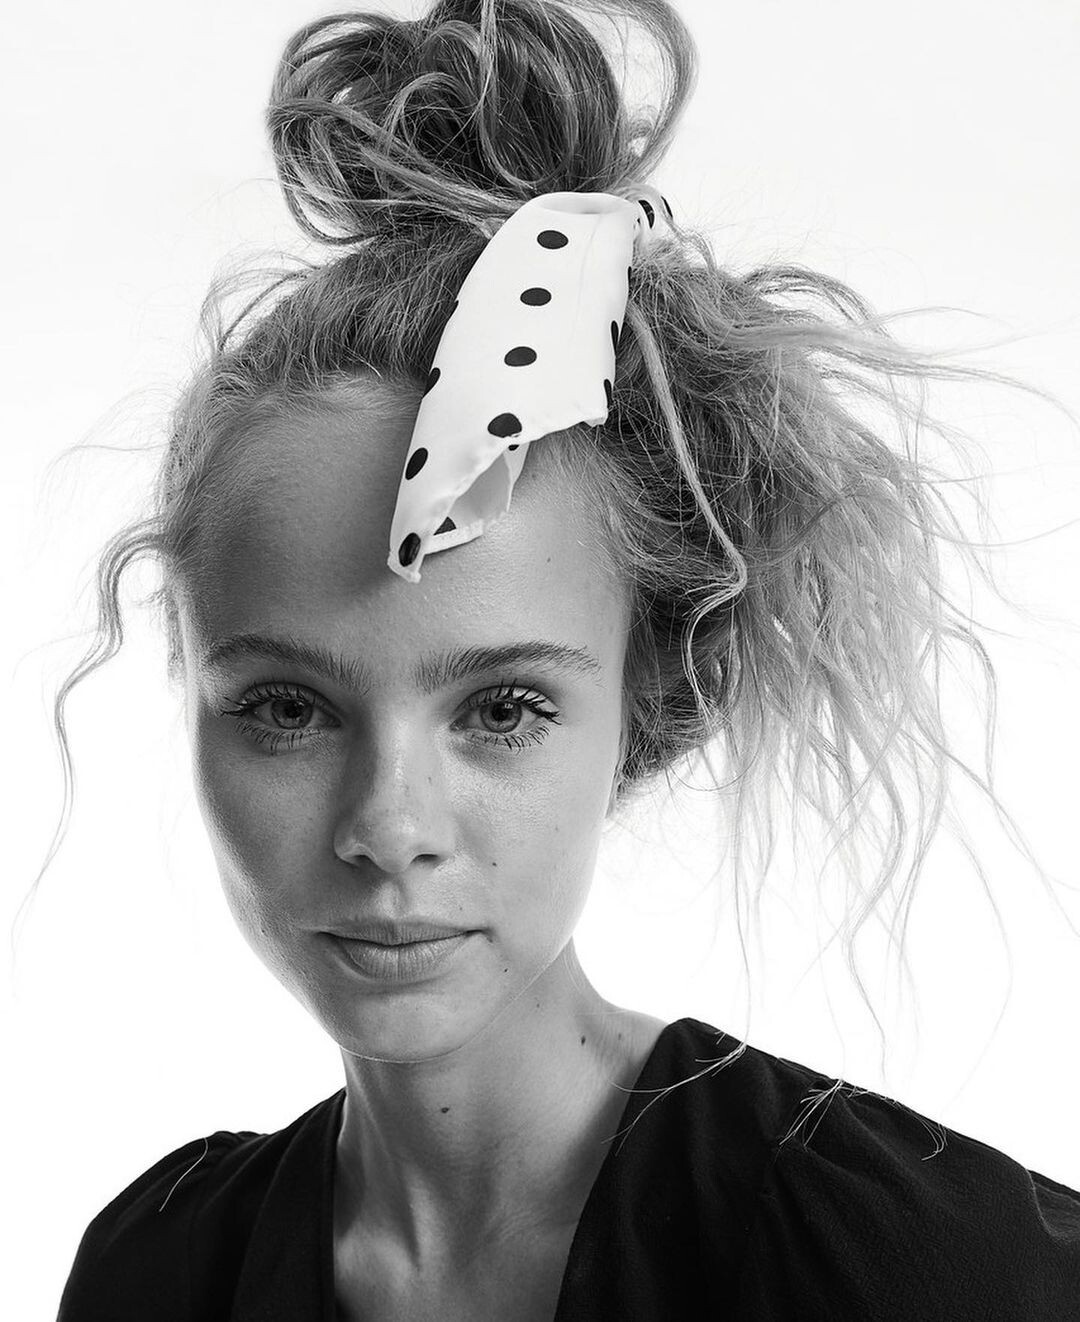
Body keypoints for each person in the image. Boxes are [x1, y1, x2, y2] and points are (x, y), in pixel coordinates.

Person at [45, 0, 1080, 1317]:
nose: (389, 828)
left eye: (503, 708)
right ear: (187, 682)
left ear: (649, 700)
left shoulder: (917, 1269)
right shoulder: (155, 1271)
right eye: (288, 708)